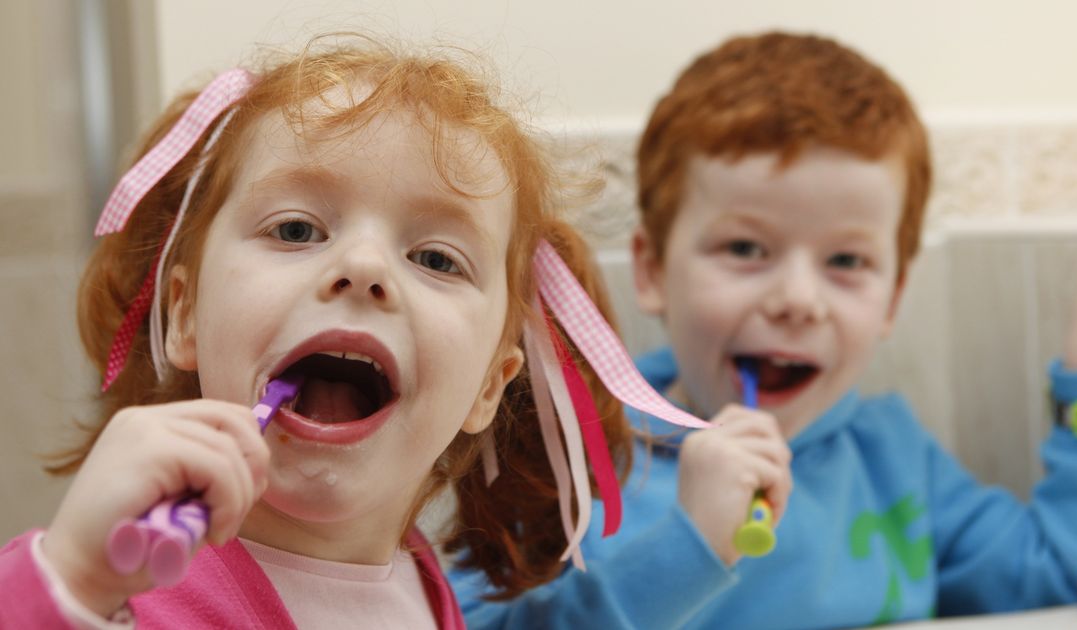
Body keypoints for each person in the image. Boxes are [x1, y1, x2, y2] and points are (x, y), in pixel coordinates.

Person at [451, 31, 1077, 628]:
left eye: (846, 260)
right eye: (745, 249)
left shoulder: (892, 460)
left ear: (894, 295)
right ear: (650, 269)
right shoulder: (572, 462)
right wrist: (689, 545)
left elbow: (1067, 578)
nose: (799, 299)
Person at [0, 35, 633, 628]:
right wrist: (74, 578)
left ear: (487, 389)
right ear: (186, 312)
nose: (362, 268)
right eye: (296, 230)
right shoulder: (127, 589)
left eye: (437, 258)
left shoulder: (421, 585)